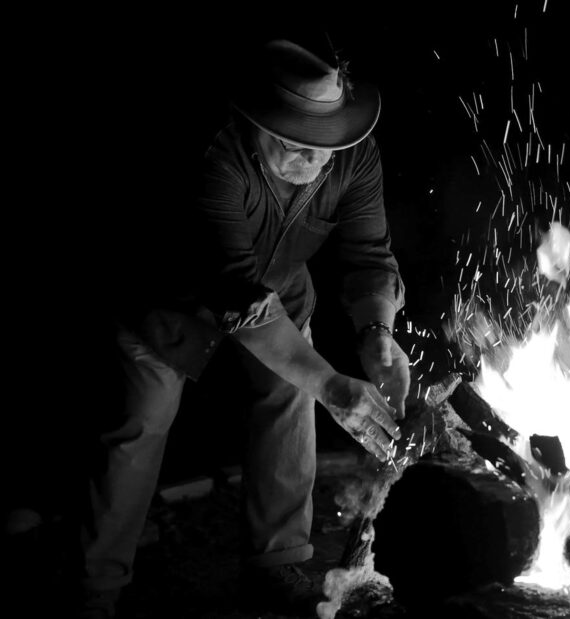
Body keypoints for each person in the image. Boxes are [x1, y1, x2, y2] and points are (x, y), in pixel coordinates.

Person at [78, 33, 410, 618]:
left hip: (284, 290)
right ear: (256, 121)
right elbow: (237, 294)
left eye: (322, 143)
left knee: (289, 403)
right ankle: (97, 590)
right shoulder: (215, 159)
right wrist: (332, 385)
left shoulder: (354, 155)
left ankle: (277, 565)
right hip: (171, 302)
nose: (311, 158)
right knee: (141, 425)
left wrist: (377, 336)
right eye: (293, 143)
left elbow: (369, 257)